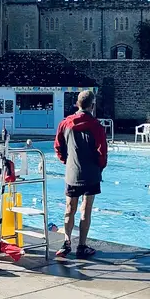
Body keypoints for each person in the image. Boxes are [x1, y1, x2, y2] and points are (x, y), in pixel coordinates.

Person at [54, 90, 108, 259]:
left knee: (70, 208)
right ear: (92, 105)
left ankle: (67, 242)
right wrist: (99, 168)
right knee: (86, 210)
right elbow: (102, 152)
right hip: (91, 173)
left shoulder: (65, 123)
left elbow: (58, 146)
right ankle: (82, 246)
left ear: (77, 104)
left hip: (72, 173)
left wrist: (67, 162)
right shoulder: (96, 126)